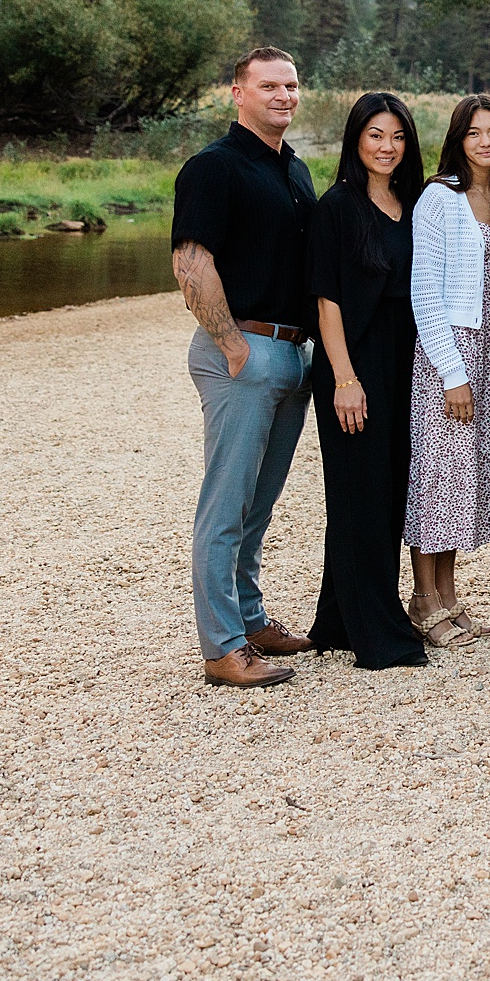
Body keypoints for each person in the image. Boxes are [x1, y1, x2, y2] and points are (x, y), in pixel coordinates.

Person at [171, 47, 320, 688]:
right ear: (238, 93)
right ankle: (223, 647)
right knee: (225, 505)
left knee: (260, 503)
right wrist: (232, 345)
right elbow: (191, 262)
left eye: (290, 84)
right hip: (244, 351)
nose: (283, 95)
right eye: (268, 86)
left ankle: (253, 618)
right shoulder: (213, 168)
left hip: (293, 353)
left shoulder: (296, 171)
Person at [304, 92, 429, 672]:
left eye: (398, 137)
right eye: (376, 135)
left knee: (389, 489)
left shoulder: (415, 201)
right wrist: (344, 378)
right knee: (361, 496)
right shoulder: (338, 206)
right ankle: (378, 631)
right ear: (356, 140)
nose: (388, 147)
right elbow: (327, 300)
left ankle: (337, 619)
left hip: (407, 360)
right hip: (354, 362)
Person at [406, 95, 490, 648]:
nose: (485, 142)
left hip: (488, 351)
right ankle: (423, 598)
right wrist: (452, 372)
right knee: (435, 475)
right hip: (445, 353)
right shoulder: (437, 198)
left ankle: (449, 594)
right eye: (474, 133)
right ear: (458, 139)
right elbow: (423, 292)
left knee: (463, 477)